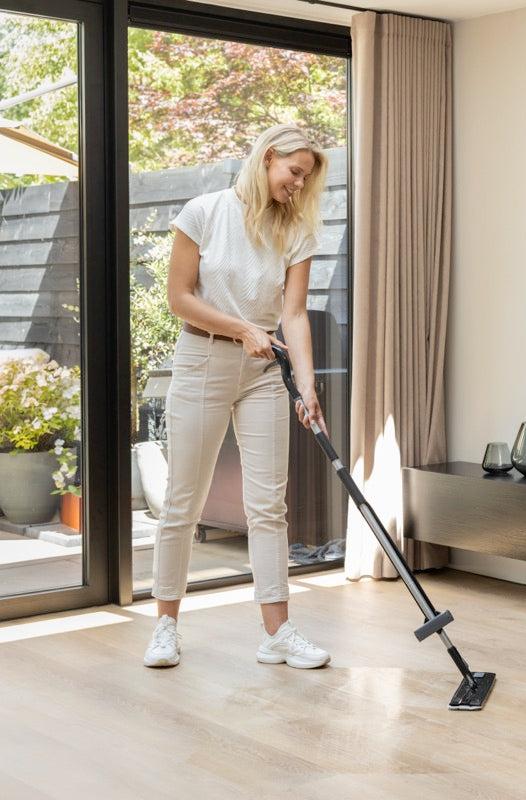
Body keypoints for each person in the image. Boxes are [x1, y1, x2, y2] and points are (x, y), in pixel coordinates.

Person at [143, 123, 331, 669]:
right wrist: (240, 329)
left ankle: (278, 632)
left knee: (269, 505)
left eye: (305, 180)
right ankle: (164, 626)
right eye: (294, 173)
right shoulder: (203, 213)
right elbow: (179, 299)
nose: (298, 186)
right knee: (184, 501)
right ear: (268, 157)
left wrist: (306, 381)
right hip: (203, 360)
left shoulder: (295, 232)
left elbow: (293, 314)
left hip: (265, 370)